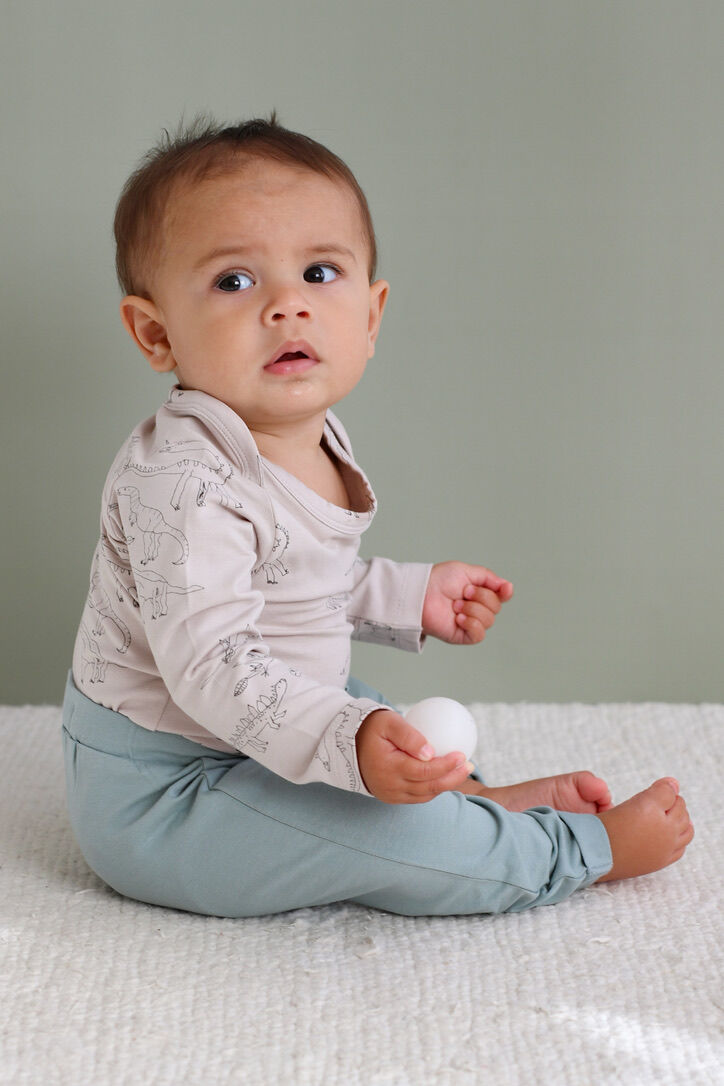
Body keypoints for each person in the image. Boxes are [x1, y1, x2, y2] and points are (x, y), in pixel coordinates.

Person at [62, 115, 693, 917]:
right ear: (157, 334)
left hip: (251, 734)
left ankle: (479, 799)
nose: (288, 306)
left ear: (370, 313)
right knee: (386, 821)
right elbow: (215, 662)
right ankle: (571, 853)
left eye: (320, 273)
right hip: (172, 795)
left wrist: (408, 595)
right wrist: (347, 742)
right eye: (234, 281)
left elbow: (290, 585)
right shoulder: (181, 480)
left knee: (367, 713)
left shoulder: (304, 433)